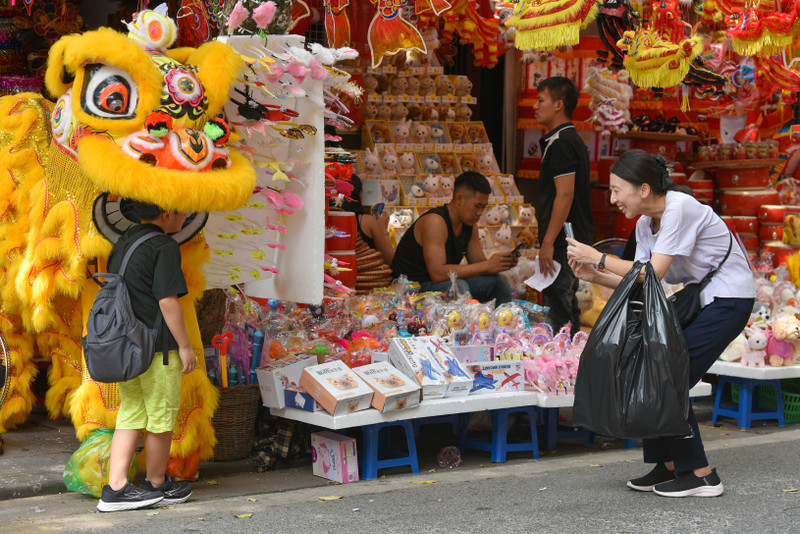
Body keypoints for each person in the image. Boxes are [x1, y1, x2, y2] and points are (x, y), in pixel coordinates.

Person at [566, 149, 755, 498]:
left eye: (615, 189)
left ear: (643, 189)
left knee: (669, 374)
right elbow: (641, 280)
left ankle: (701, 474)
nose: (612, 199)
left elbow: (653, 272)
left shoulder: (679, 207)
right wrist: (594, 272)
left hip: (730, 299)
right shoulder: (643, 224)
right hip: (704, 299)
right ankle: (667, 465)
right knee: (653, 367)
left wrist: (599, 257)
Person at [97, 202, 196, 512]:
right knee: (161, 416)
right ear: (167, 214)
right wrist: (185, 346)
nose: (185, 215)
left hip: (127, 346)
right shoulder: (164, 246)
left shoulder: (123, 242)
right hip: (157, 350)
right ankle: (155, 483)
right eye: (182, 211)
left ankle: (115, 489)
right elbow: (167, 302)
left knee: (131, 413)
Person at [392, 171, 516, 304]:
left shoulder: (469, 224)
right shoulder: (435, 222)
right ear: (459, 199)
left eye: (483, 207)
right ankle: (461, 324)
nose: (480, 213)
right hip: (410, 290)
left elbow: (478, 264)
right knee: (458, 287)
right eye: (477, 206)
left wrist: (500, 264)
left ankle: (506, 321)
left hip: (441, 284)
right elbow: (438, 274)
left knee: (498, 282)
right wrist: (487, 266)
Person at [534, 76, 593, 336]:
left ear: (558, 104)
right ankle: (571, 359)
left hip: (563, 240)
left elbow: (565, 195)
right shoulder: (564, 139)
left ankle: (561, 364)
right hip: (566, 239)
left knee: (559, 304)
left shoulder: (563, 142)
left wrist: (548, 242)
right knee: (565, 303)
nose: (535, 106)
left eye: (540, 100)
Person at [343, 174, 394, 267]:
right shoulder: (367, 221)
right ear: (358, 194)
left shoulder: (328, 219)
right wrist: (383, 230)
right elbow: (389, 259)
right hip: (367, 276)